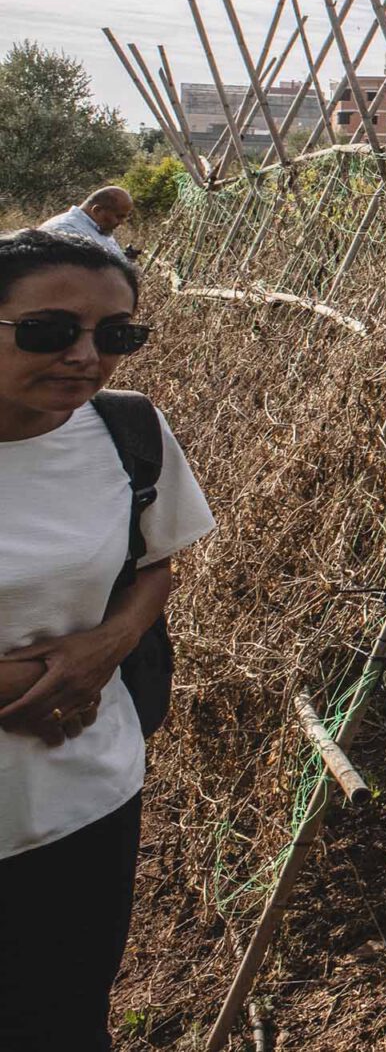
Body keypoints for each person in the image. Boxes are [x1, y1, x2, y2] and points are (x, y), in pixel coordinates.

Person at [0, 228, 214, 1052]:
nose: (87, 357)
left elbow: (155, 560)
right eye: (50, 330)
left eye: (116, 335)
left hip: (81, 796)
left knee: (60, 1018)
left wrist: (110, 644)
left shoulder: (127, 432)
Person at [39, 190, 133, 262]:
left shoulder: (100, 228)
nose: (122, 222)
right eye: (119, 216)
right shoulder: (65, 230)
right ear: (97, 210)